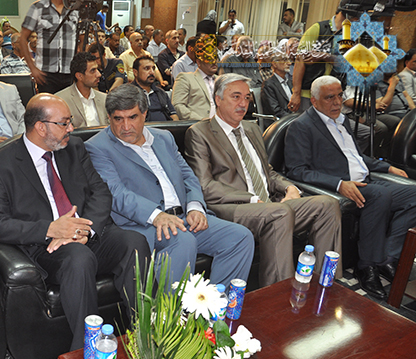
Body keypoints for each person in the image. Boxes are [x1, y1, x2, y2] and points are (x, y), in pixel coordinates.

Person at [0, 93, 151, 350]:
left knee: (134, 243)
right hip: (47, 247)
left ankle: (146, 336)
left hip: (88, 233)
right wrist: (50, 228)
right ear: (41, 127)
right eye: (64, 123)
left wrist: (86, 229)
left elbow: (100, 192)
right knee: (78, 258)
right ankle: (87, 349)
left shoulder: (73, 148)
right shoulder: (0, 164)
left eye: (70, 121)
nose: (71, 128)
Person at [85, 84, 254, 285]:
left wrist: (195, 207)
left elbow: (188, 176)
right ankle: (171, 307)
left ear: (145, 114)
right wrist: (157, 216)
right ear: (109, 117)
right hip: (144, 225)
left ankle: (216, 304)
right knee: (182, 239)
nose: (126, 126)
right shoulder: (97, 147)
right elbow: (115, 193)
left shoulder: (164, 137)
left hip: (184, 218)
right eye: (118, 119)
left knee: (240, 237)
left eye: (132, 117)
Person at [184, 73, 341, 287]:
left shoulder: (252, 128)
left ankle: (326, 285)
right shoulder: (200, 133)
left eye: (247, 98)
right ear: (218, 99)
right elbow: (205, 186)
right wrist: (250, 199)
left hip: (269, 206)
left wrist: (290, 187)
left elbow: (268, 172)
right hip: (232, 209)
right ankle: (278, 297)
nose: (243, 104)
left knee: (327, 205)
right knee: (279, 213)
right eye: (236, 97)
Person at [285, 75, 416, 299]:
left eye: (339, 96)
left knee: (413, 193)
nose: (337, 102)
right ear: (314, 101)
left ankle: (388, 258)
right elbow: (296, 171)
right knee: (379, 195)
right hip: (341, 185)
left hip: (367, 180)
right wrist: (338, 184)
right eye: (330, 98)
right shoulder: (301, 127)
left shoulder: (342, 120)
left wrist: (386, 167)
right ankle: (366, 267)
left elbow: (356, 157)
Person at [289, 5, 353, 113]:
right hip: (308, 93)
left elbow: (347, 64)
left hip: (331, 95)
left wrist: (325, 56)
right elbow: (300, 61)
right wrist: (296, 93)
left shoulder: (348, 35)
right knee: (305, 122)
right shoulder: (318, 29)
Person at [20, 0, 78, 93]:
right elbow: (22, 38)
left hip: (69, 72)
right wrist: (32, 68)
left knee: (67, 102)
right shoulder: (38, 7)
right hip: (45, 74)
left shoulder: (75, 8)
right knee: (47, 102)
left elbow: (81, 41)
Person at [55, 53, 108, 128]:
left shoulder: (104, 99)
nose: (99, 74)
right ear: (79, 76)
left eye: (97, 69)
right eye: (93, 71)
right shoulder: (61, 100)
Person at [172, 35, 218, 121]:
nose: (214, 62)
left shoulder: (221, 80)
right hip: (198, 123)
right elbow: (178, 105)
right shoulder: (185, 78)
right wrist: (202, 121)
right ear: (199, 62)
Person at [131, 55, 178, 121]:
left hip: (165, 126)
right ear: (135, 72)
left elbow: (173, 115)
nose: (152, 72)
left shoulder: (161, 93)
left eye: (153, 68)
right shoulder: (128, 93)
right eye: (146, 68)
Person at [261, 51, 293, 119]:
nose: (289, 63)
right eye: (284, 60)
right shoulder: (268, 85)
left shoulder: (290, 81)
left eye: (289, 60)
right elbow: (276, 111)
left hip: (292, 118)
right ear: (275, 64)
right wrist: (294, 119)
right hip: (280, 121)